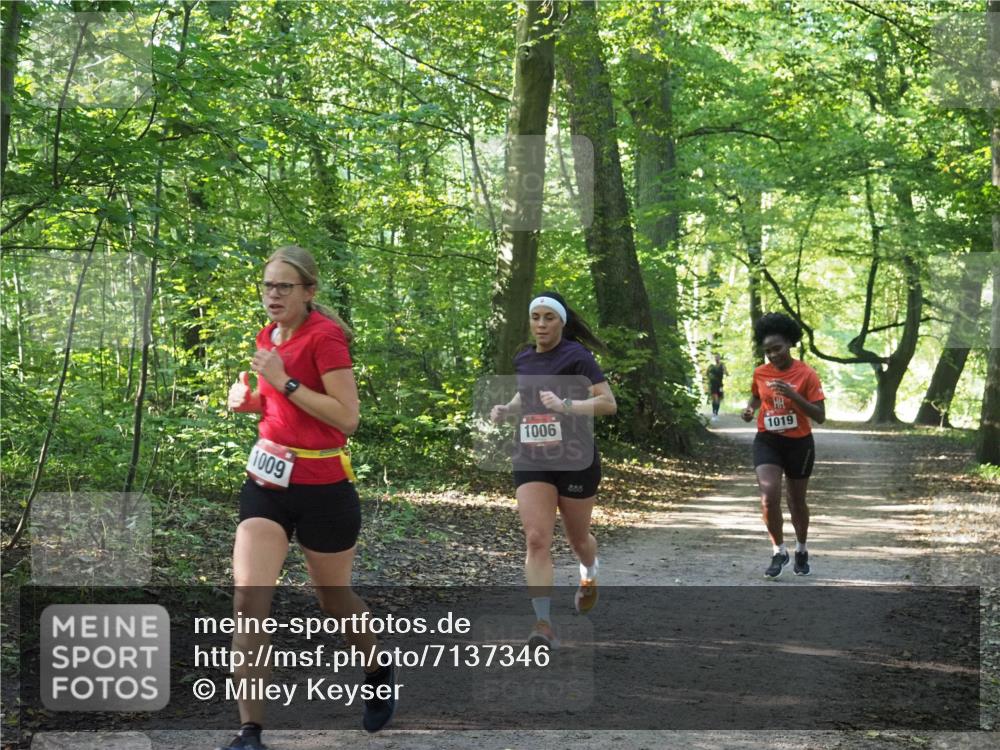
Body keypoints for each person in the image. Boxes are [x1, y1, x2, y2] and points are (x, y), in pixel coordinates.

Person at [222, 246, 395, 749]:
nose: (271, 295)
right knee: (247, 600)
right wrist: (252, 398)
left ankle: (378, 667)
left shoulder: (326, 339)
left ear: (309, 292)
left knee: (333, 598)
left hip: (324, 490)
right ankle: (250, 731)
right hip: (266, 484)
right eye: (266, 286)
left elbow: (346, 418)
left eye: (283, 287)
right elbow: (275, 401)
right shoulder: (267, 337)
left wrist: (283, 380)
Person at [490, 292, 617, 648]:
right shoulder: (524, 358)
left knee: (578, 540)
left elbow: (608, 403)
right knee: (536, 538)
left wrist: (567, 405)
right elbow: (524, 396)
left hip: (575, 459)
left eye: (549, 318)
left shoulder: (577, 357)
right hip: (532, 456)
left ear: (561, 322)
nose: (541, 324)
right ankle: (542, 623)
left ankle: (589, 573)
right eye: (536, 317)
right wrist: (506, 409)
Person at [741, 312, 825, 579]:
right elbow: (756, 397)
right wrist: (749, 409)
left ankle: (801, 548)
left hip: (799, 443)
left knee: (797, 501)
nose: (773, 355)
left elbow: (820, 415)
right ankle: (778, 551)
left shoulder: (806, 374)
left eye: (777, 348)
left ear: (789, 343)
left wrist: (792, 394)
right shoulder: (760, 372)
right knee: (769, 496)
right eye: (768, 351)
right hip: (768, 439)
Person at [707, 353, 727, 421]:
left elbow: (726, 372)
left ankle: (716, 414)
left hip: (720, 385)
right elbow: (707, 373)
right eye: (716, 357)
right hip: (713, 385)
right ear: (714, 358)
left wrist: (725, 372)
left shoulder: (722, 365)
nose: (717, 358)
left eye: (718, 357)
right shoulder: (711, 366)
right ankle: (714, 413)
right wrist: (710, 377)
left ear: (720, 358)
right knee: (715, 399)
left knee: (718, 399)